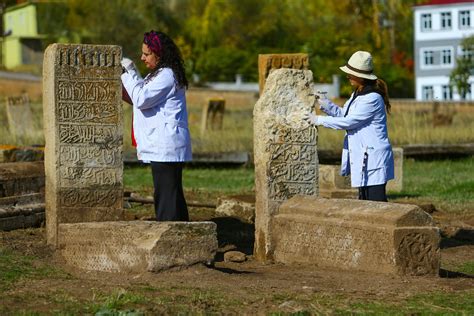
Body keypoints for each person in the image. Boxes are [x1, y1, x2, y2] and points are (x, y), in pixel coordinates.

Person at [121, 30, 192, 221]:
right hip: (163, 144)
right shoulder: (158, 74)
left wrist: (130, 72)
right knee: (171, 195)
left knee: (167, 197)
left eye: (146, 53)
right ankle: (183, 236)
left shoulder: (167, 75)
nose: (142, 57)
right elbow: (138, 99)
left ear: (159, 54)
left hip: (166, 144)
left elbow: (142, 98)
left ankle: (170, 237)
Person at [305, 50, 394, 201]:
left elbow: (349, 122)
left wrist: (318, 120)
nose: (347, 76)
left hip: (373, 157)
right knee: (365, 201)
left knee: (376, 203)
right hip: (365, 155)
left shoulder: (372, 98)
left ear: (361, 77)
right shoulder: (357, 94)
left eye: (351, 74)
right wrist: (325, 104)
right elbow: (344, 114)